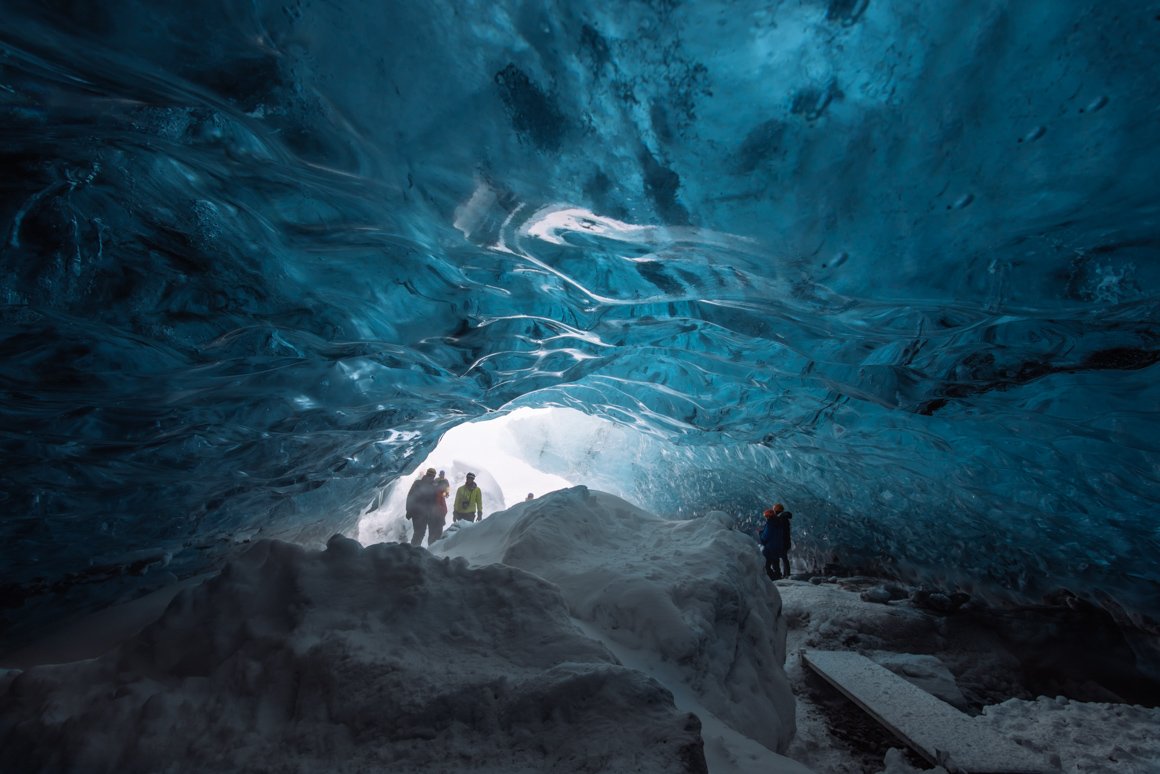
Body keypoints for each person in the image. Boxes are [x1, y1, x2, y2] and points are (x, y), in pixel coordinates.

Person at [406, 468, 443, 547]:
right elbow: (439, 501)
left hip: (418, 513)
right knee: (427, 534)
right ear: (434, 476)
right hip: (427, 514)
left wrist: (409, 511)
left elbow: (410, 497)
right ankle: (420, 552)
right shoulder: (434, 486)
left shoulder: (417, 483)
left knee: (418, 534)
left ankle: (412, 551)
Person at [759, 506, 786, 581]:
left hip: (770, 547)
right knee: (776, 563)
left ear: (768, 516)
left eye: (766, 516)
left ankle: (772, 578)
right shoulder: (779, 523)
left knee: (766, 564)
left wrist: (760, 533)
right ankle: (778, 577)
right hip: (778, 546)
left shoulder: (770, 523)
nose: (766, 518)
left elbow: (766, 536)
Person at [773, 502, 793, 578]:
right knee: (784, 558)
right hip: (785, 541)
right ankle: (786, 574)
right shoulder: (784, 517)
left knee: (779, 558)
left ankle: (783, 574)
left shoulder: (781, 518)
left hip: (782, 542)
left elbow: (780, 531)